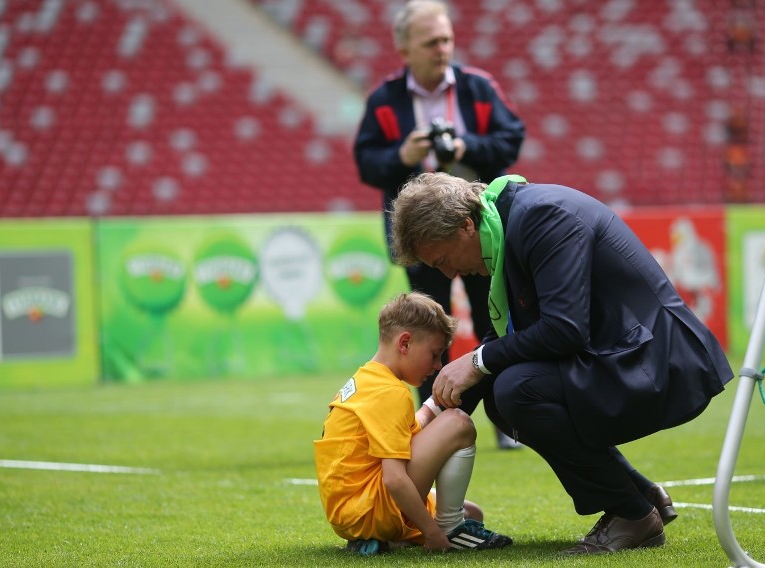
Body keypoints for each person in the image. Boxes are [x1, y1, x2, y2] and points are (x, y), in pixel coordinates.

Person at [389, 172, 734, 555]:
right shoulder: (507, 223)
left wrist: (478, 360)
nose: (450, 274)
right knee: (504, 394)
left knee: (516, 391)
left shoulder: (542, 216)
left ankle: (632, 514)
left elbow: (564, 330)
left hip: (660, 361)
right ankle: (637, 492)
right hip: (623, 355)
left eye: (442, 260)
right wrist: (432, 412)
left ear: (466, 225)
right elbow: (513, 339)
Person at [353, 0, 526, 449]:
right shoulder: (384, 99)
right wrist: (403, 158)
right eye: (431, 42)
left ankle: (505, 423)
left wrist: (464, 146)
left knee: (498, 319)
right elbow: (366, 163)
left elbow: (511, 139)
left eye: (446, 39)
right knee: (427, 325)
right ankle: (430, 422)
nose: (442, 49)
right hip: (422, 237)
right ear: (404, 47)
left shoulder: (477, 86)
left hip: (479, 231)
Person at [313, 291, 513, 555]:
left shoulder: (368, 379)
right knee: (459, 423)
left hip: (351, 513)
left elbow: (408, 428)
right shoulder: (391, 393)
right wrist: (433, 532)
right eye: (434, 354)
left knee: (473, 512)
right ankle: (450, 530)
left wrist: (435, 403)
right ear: (405, 343)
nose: (438, 365)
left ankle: (378, 539)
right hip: (371, 508)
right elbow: (394, 479)